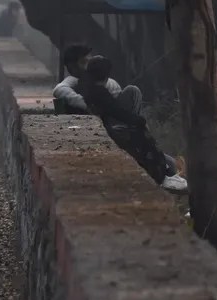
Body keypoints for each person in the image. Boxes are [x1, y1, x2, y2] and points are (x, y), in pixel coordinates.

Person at [53, 44, 179, 177]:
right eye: (84, 62)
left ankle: (137, 137)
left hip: (114, 120)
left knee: (132, 91)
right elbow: (59, 90)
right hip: (109, 127)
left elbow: (114, 94)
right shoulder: (73, 81)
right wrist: (88, 104)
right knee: (168, 164)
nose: (88, 65)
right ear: (72, 66)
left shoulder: (97, 82)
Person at [81, 56, 188, 194]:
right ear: (106, 76)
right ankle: (162, 177)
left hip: (110, 125)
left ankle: (167, 174)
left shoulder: (89, 88)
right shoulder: (99, 93)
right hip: (113, 130)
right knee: (157, 152)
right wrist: (139, 122)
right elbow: (116, 111)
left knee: (167, 159)